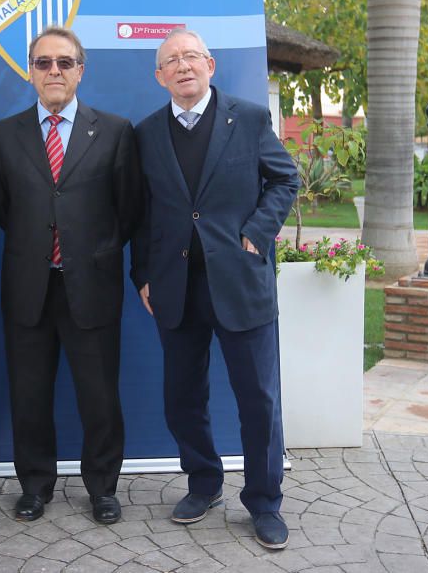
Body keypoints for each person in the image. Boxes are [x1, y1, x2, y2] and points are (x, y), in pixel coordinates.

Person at [130, 29, 299, 549]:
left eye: (190, 57)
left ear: (210, 65)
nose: (182, 67)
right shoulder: (146, 133)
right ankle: (203, 484)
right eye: (170, 62)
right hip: (176, 287)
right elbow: (142, 212)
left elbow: (284, 179)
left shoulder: (247, 119)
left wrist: (255, 233)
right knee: (183, 397)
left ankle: (265, 502)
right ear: (160, 77)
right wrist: (142, 274)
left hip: (240, 283)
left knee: (258, 400)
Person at [0, 26, 141, 525]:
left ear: (81, 69)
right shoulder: (4, 134)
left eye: (64, 62)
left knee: (99, 397)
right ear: (29, 70)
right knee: (28, 396)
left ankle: (102, 488)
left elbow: (129, 209)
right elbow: (1, 207)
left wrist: (91, 250)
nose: (54, 71)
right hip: (29, 287)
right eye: (43, 63)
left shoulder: (116, 131)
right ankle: (35, 486)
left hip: (91, 287)